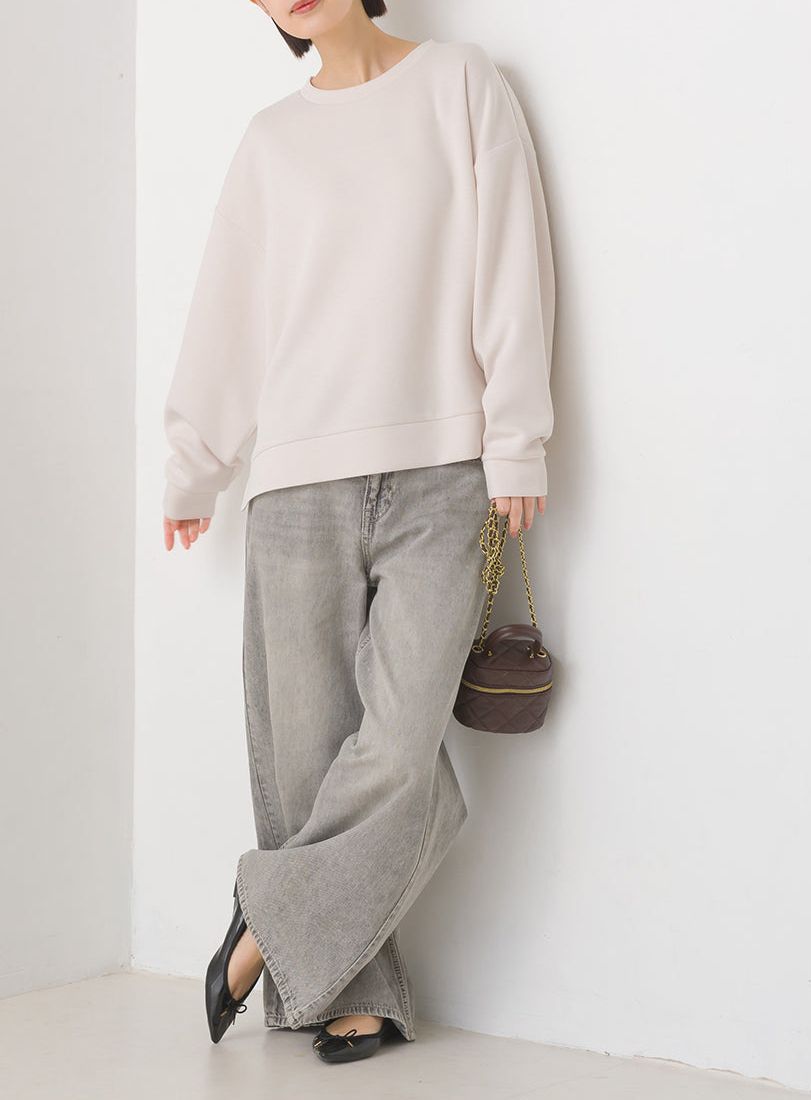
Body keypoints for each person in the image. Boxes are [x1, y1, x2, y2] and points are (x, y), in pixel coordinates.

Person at [161, 0, 555, 1066]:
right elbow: (228, 313)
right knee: (309, 760)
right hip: (294, 482)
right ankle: (360, 993)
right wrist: (195, 461)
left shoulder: (462, 84)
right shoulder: (271, 142)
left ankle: (261, 930)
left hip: (442, 475)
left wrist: (517, 438)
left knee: (398, 748)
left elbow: (512, 264)